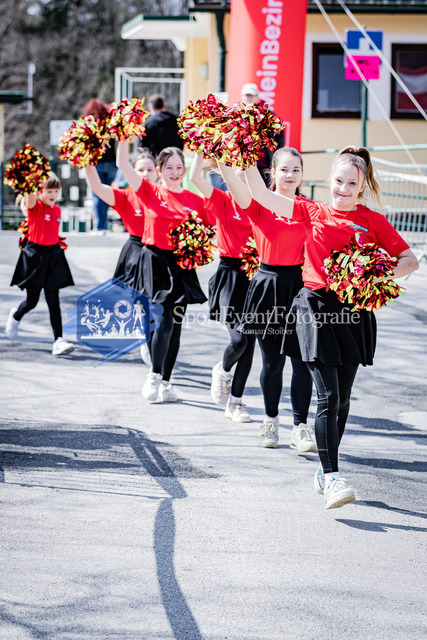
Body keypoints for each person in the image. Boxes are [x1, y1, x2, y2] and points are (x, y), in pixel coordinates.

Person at [245, 146, 419, 509]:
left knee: (343, 399)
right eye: (338, 181)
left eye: (352, 183)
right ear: (329, 181)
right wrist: (242, 149)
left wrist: (375, 273)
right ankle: (334, 476)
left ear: (362, 186)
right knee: (327, 396)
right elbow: (260, 194)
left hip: (353, 314)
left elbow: (409, 261)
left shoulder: (372, 220)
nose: (343, 188)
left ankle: (324, 472)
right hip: (315, 309)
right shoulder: (311, 211)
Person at [218, 148, 315, 451]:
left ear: (302, 175)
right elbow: (233, 180)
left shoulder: (310, 208)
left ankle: (300, 428)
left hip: (299, 288)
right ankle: (270, 421)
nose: (290, 175)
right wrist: (222, 146)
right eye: (284, 169)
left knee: (302, 363)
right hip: (267, 288)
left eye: (296, 170)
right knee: (272, 364)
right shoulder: (258, 203)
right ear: (272, 172)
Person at [117, 140, 213, 403]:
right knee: (163, 322)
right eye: (169, 167)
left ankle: (167, 382)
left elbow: (211, 229)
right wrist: (123, 134)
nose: (175, 172)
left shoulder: (195, 200)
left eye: (179, 167)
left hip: (181, 266)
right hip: (154, 263)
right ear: (159, 170)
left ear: (185, 170)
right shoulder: (150, 191)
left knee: (175, 327)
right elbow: (123, 165)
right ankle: (154, 374)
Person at [190, 152, 256, 423]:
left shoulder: (262, 204)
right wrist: (200, 147)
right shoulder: (223, 200)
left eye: (248, 176)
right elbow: (195, 178)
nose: (243, 181)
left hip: (256, 276)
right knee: (238, 340)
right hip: (230, 274)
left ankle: (236, 402)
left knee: (249, 344)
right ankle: (223, 371)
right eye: (238, 176)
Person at [5, 173, 75, 356]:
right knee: (32, 301)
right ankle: (16, 315)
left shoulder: (57, 210)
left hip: (53, 256)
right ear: (39, 192)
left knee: (54, 300)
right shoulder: (35, 207)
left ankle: (58, 340)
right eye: (49, 191)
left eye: (56, 191)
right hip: (35, 256)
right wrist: (30, 177)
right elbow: (29, 197)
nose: (53, 195)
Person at [82, 98, 117, 232]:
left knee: (97, 194)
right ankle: (107, 222)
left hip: (95, 164)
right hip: (111, 163)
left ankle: (100, 226)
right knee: (109, 193)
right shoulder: (109, 123)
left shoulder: (88, 124)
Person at [240, 83, 285, 186]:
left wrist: (274, 154)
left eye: (251, 96)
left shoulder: (268, 115)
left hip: (265, 165)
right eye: (246, 96)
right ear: (242, 97)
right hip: (243, 167)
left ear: (257, 97)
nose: (248, 99)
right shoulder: (236, 116)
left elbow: (280, 135)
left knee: (265, 191)